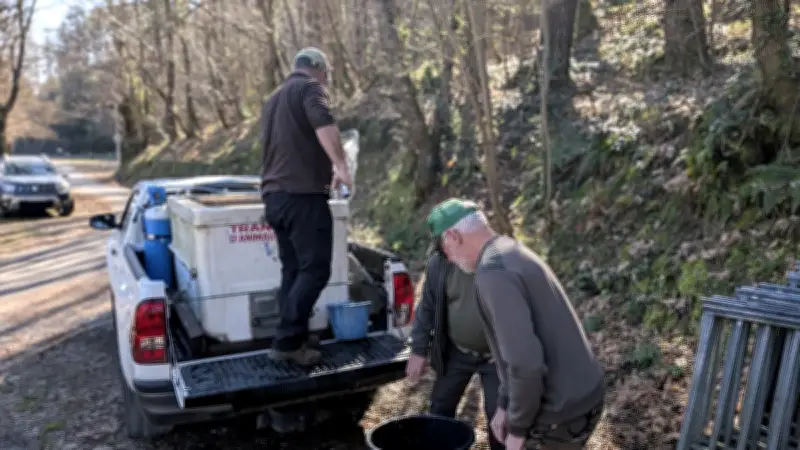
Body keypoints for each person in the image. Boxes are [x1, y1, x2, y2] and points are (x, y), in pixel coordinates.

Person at [426, 198, 606, 450]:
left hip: (560, 414)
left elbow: (526, 364)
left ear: (454, 236)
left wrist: (518, 430)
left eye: (445, 251)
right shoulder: (509, 250)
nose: (449, 260)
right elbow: (511, 352)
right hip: (585, 396)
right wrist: (503, 405)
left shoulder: (493, 273)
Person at [258, 47, 353, 366]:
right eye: (326, 76)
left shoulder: (274, 99)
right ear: (317, 69)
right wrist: (340, 164)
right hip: (302, 196)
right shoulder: (309, 88)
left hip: (274, 197)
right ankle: (286, 342)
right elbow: (323, 122)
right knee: (315, 269)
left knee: (294, 270)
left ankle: (294, 339)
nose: (325, 82)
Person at [406, 239, 504, 450]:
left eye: (448, 249)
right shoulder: (440, 264)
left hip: (495, 359)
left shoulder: (499, 262)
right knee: (440, 407)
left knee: (499, 416)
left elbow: (522, 311)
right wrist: (419, 351)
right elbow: (427, 308)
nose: (446, 255)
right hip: (456, 352)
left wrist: (509, 348)